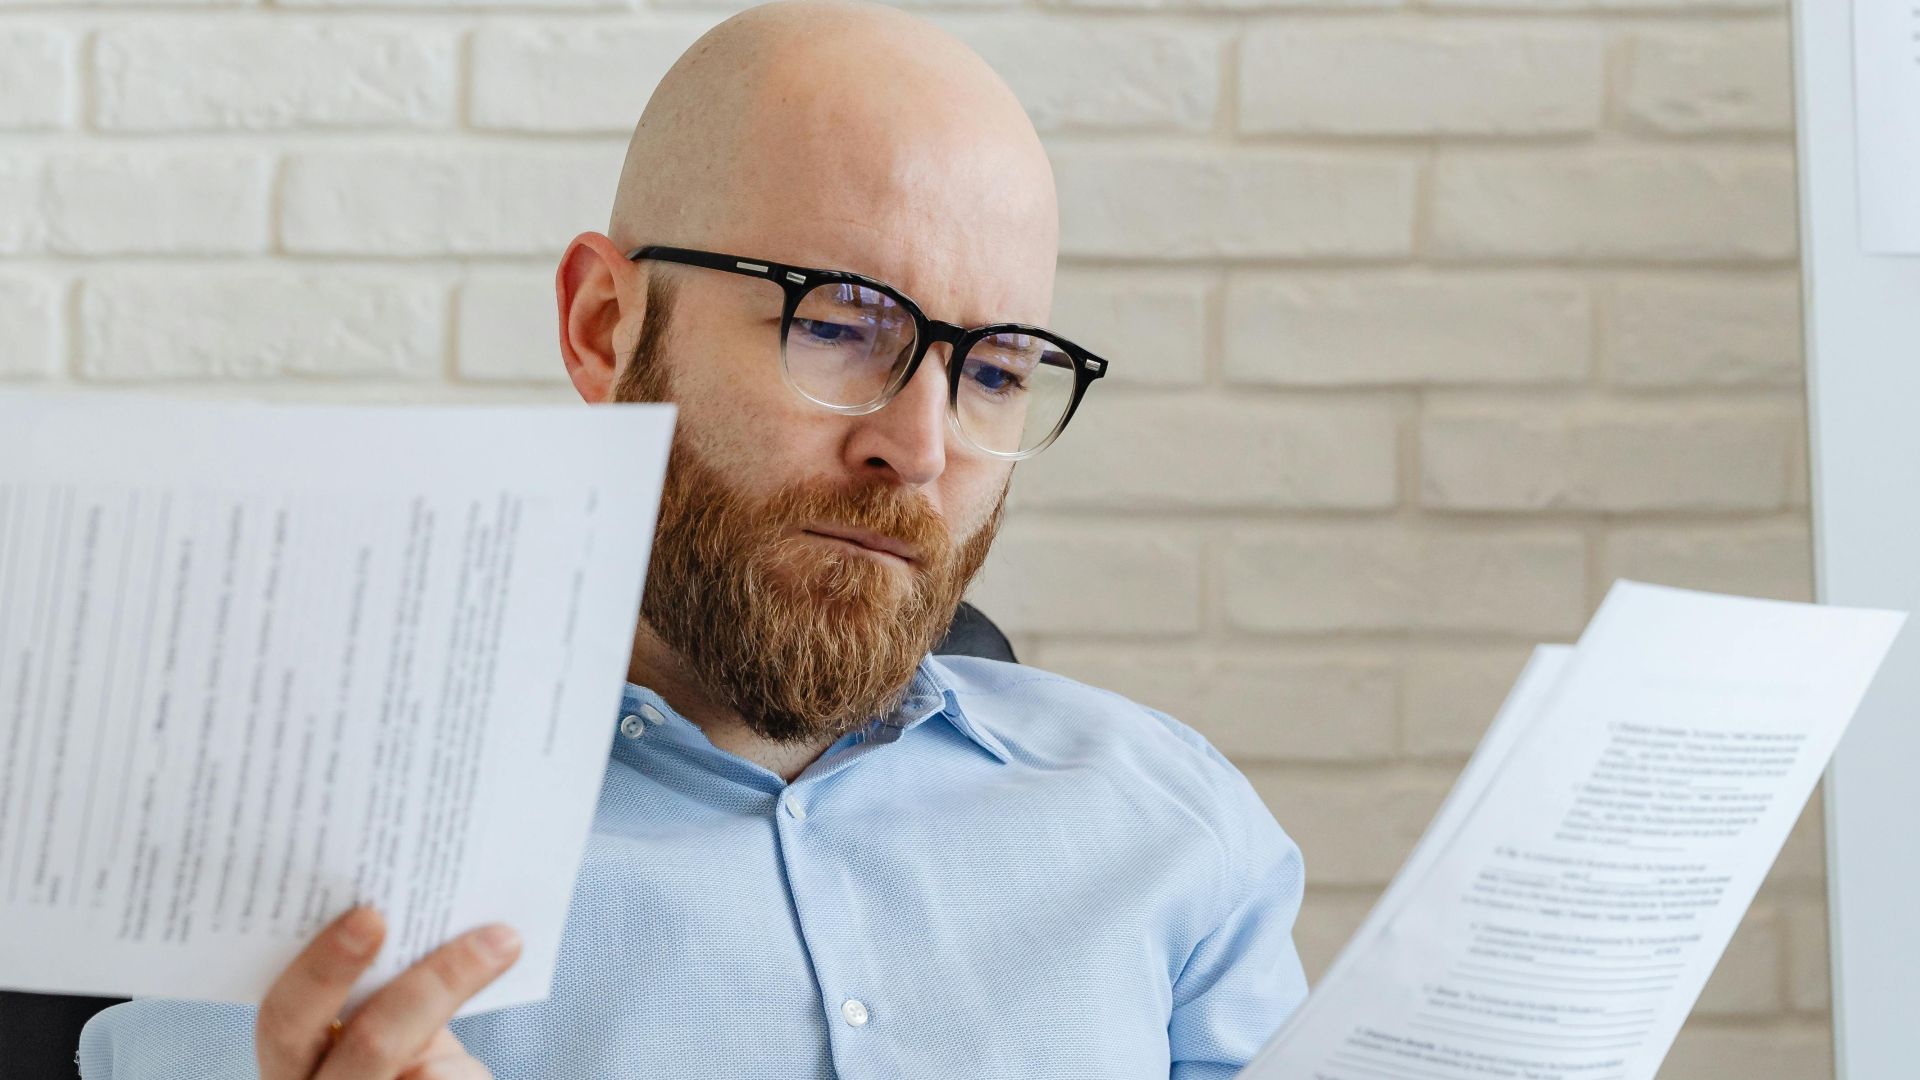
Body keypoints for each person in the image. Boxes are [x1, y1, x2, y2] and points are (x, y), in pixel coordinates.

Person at [76, 0, 1308, 1075]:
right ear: (604, 326)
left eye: (992, 369)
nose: (920, 447)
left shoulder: (1171, 823)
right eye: (837, 323)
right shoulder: (307, 865)